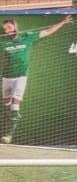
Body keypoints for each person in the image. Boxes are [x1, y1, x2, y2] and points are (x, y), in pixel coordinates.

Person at [0, 14, 72, 143]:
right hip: (6, 77)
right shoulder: (3, 41)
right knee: (6, 103)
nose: (8, 31)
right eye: (5, 29)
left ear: (15, 26)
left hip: (21, 76)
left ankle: (8, 135)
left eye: (9, 27)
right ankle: (12, 116)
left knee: (15, 105)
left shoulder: (27, 37)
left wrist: (63, 22)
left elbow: (47, 32)